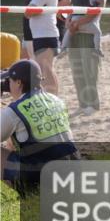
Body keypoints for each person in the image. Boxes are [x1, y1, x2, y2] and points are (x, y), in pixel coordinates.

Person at [1, 59, 78, 192]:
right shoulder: (56, 100)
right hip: (72, 171)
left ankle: (16, 190)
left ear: (19, 83)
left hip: (41, 179)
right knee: (18, 135)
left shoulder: (14, 110)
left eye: (10, 81)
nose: (8, 85)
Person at [65, 0, 106, 114]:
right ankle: (82, 104)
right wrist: (69, 24)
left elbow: (93, 14)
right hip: (75, 34)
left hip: (87, 36)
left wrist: (76, 24)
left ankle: (93, 105)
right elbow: (70, 12)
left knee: (89, 71)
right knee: (77, 71)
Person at [25, 0, 66, 95]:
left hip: (46, 36)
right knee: (45, 71)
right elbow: (30, 12)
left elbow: (28, 12)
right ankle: (52, 98)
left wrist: (32, 12)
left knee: (46, 71)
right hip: (43, 36)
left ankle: (54, 99)